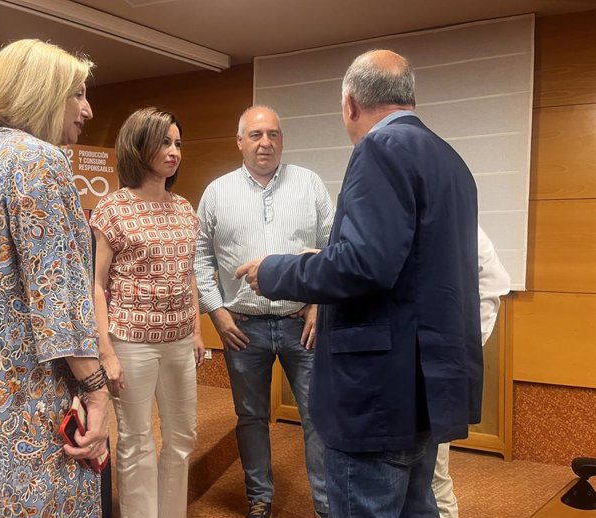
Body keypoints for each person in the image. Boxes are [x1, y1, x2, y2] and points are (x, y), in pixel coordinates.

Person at [237, 49, 482, 517]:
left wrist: (273, 271)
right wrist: (328, 257)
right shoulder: (449, 158)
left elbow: (363, 267)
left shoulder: (378, 148)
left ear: (350, 104)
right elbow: (406, 265)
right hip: (424, 385)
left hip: (377, 394)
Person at [0, 39, 109, 517]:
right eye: (77, 93)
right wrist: (97, 395)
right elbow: (58, 301)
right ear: (44, 93)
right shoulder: (40, 161)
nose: (87, 109)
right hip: (26, 395)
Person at [194, 105, 333, 518]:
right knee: (250, 417)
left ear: (282, 140)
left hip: (301, 324)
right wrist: (216, 312)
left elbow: (333, 250)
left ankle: (326, 505)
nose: (265, 142)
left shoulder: (309, 184)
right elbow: (200, 258)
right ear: (240, 141)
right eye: (255, 135)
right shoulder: (217, 192)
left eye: (273, 134)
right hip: (243, 328)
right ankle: (260, 498)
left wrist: (319, 304)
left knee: (318, 417)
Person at [90, 107, 205, 518]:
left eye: (177, 143)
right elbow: (96, 286)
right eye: (164, 142)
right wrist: (105, 350)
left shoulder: (185, 208)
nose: (173, 152)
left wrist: (194, 329)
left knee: (182, 436)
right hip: (131, 342)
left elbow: (187, 273)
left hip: (178, 341)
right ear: (139, 147)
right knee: (137, 440)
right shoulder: (112, 209)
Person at [432, 226, 511, 517]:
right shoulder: (382, 216)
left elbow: (493, 284)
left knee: (433, 474)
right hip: (387, 373)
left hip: (437, 370)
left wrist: (462, 347)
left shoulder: (460, 224)